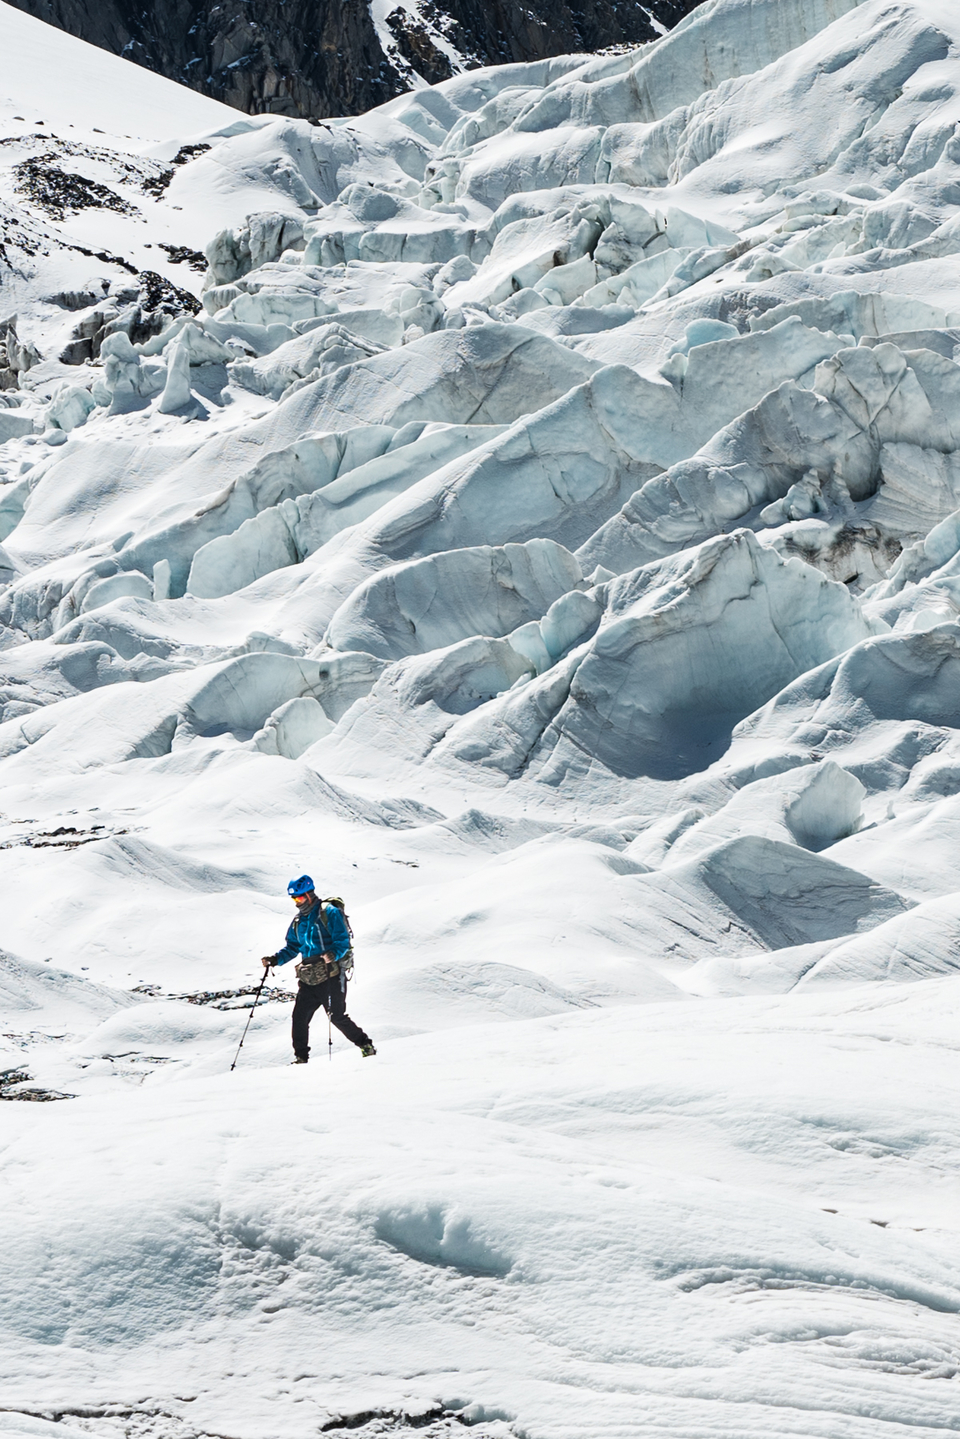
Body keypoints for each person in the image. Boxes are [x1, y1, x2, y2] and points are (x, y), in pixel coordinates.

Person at [262, 874, 376, 1064]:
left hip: (331, 975)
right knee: (299, 1018)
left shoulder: (329, 912)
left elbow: (343, 941)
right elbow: (292, 947)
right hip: (308, 978)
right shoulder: (298, 921)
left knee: (337, 1017)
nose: (297, 902)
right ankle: (301, 1058)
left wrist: (334, 954)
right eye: (294, 899)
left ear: (309, 894)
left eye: (299, 897)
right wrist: (275, 959)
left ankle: (366, 1045)